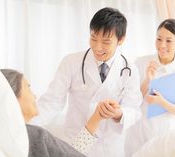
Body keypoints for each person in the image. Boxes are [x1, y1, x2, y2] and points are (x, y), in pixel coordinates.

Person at [33, 7, 142, 157]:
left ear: (121, 39)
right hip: (77, 143)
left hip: (110, 148)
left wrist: (118, 113)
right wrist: (28, 126)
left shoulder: (130, 70)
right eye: (93, 38)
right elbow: (52, 101)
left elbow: (134, 110)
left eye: (106, 41)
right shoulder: (71, 62)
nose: (97, 47)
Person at [125, 19, 175, 157]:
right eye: (159, 39)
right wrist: (147, 80)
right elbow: (130, 100)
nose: (162, 45)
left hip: (164, 134)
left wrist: (161, 101)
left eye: (169, 41)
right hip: (137, 133)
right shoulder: (141, 62)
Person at [1, 69, 104, 156]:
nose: (35, 95)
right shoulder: (36, 136)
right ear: (13, 98)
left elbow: (70, 152)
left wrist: (95, 119)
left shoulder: (1, 136)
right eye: (28, 88)